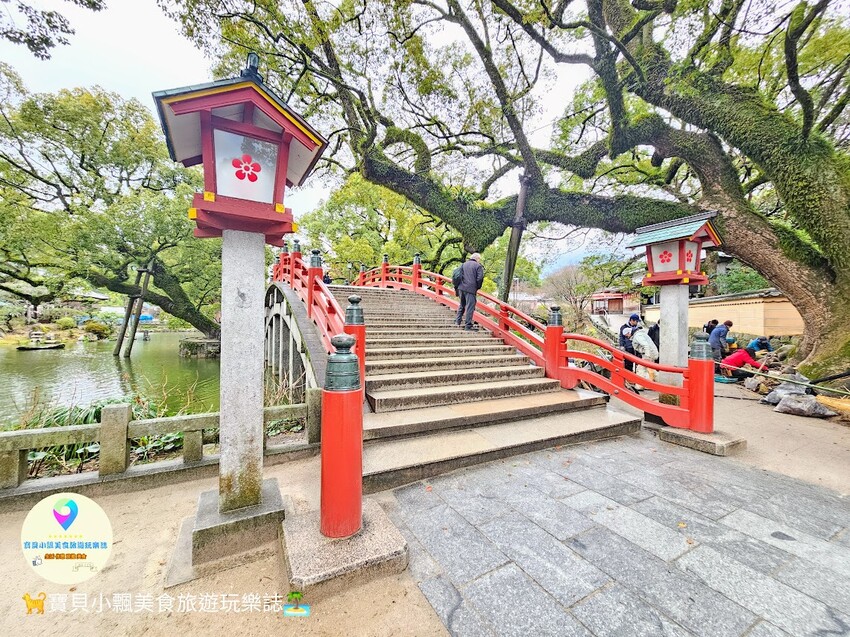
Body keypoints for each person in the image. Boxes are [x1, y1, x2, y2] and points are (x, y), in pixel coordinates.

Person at [455, 253, 484, 330]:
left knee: (462, 304)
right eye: (479, 259)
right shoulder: (478, 266)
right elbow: (480, 278)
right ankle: (468, 326)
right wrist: (477, 287)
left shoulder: (463, 264)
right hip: (471, 289)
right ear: (477, 259)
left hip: (461, 288)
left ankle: (457, 321)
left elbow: (458, 275)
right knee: (470, 307)